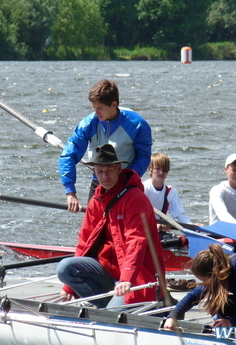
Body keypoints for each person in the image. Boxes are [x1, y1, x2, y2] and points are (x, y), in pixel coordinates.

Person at [57, 144, 165, 308]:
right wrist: (68, 288)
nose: (105, 176)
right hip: (109, 273)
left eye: (109, 171)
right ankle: (108, 307)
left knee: (113, 311)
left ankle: (113, 308)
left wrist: (126, 278)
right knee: (65, 268)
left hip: (138, 275)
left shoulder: (135, 198)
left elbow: (136, 241)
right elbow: (84, 242)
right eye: (100, 172)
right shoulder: (97, 200)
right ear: (95, 173)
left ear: (119, 168)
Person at [59, 79, 152, 213]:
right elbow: (68, 155)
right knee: (94, 230)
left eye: (100, 108)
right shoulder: (88, 124)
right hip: (100, 181)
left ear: (114, 104)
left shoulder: (137, 125)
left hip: (126, 183)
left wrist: (127, 179)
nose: (95, 113)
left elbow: (143, 157)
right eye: (93, 107)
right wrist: (70, 192)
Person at [143, 152, 194, 230]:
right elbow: (135, 215)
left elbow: (181, 215)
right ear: (150, 169)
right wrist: (154, 225)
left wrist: (193, 227)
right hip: (142, 230)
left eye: (164, 169)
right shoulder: (143, 189)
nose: (161, 172)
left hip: (158, 232)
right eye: (158, 169)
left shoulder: (170, 192)